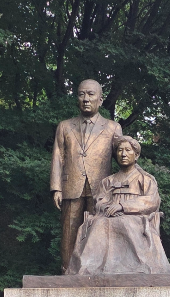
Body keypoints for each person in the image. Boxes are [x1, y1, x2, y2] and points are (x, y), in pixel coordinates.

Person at [66, 136, 170, 275]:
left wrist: (123, 206)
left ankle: (136, 267)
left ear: (136, 155)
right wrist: (107, 208)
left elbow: (151, 201)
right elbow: (100, 200)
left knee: (124, 222)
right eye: (120, 150)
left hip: (135, 217)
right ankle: (90, 268)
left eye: (128, 150)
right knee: (98, 224)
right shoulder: (108, 181)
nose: (123, 154)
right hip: (108, 216)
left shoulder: (145, 179)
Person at [50, 79, 122, 273]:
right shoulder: (65, 126)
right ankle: (67, 270)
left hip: (101, 188)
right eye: (82, 94)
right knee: (69, 230)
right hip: (71, 186)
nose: (86, 99)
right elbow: (58, 156)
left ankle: (95, 270)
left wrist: (130, 183)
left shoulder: (112, 128)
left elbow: (123, 157)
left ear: (100, 99)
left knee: (97, 231)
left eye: (90, 94)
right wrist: (56, 187)